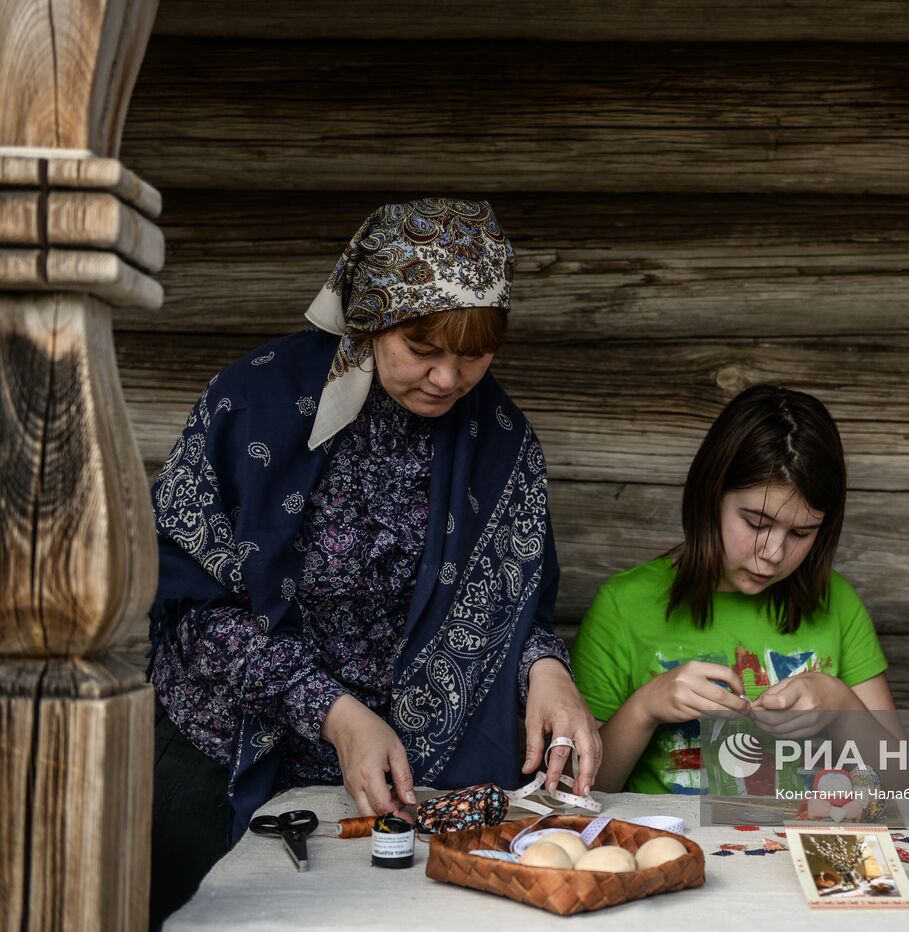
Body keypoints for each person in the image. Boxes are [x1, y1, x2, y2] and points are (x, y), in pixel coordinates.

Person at [146, 199, 599, 925]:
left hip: (400, 786)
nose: (448, 378)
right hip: (220, 759)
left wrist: (545, 668)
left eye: (473, 354)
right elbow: (192, 606)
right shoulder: (253, 405)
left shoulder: (501, 441)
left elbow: (516, 609)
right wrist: (333, 712)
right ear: (369, 318)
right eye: (422, 347)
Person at [571, 385, 896, 794]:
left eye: (802, 532)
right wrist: (644, 709)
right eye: (757, 524)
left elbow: (907, 783)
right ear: (710, 496)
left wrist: (844, 707)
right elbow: (572, 792)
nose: (773, 553)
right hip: (674, 849)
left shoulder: (837, 603)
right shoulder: (623, 605)